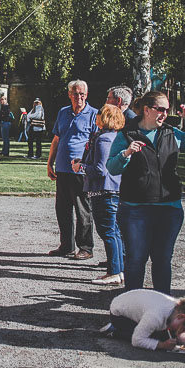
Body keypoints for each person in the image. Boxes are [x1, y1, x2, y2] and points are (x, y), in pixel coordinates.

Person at [106, 91, 185, 293]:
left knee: (162, 259)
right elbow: (112, 167)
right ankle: (132, 309)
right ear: (146, 110)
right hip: (136, 209)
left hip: (168, 208)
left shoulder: (171, 133)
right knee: (136, 259)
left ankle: (163, 309)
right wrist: (126, 154)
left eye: (167, 110)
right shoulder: (127, 134)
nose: (165, 114)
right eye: (160, 109)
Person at [72, 104, 125, 285]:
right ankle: (119, 269)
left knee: (108, 231)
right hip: (112, 189)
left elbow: (101, 169)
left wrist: (81, 167)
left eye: (100, 113)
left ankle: (114, 271)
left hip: (104, 190)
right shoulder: (114, 137)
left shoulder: (103, 139)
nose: (97, 115)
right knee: (114, 231)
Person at [47, 80, 98, 260]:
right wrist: (50, 162)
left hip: (81, 171)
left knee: (83, 209)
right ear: (69, 94)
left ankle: (85, 247)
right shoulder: (63, 112)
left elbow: (97, 143)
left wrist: (88, 166)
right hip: (62, 168)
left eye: (82, 94)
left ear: (87, 94)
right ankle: (66, 246)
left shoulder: (94, 114)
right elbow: (56, 139)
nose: (79, 97)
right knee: (62, 209)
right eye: (75, 94)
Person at [99, 289, 185, 356]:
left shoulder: (180, 309)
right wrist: (162, 345)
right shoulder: (156, 316)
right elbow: (137, 340)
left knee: (170, 335)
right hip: (119, 315)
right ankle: (115, 331)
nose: (181, 332)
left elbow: (180, 331)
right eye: (183, 329)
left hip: (137, 307)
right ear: (181, 317)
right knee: (157, 337)